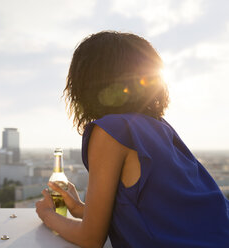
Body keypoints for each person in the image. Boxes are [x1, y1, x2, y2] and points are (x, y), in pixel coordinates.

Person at [35, 31, 229, 248]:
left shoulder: (110, 131)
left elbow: (90, 239)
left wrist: (47, 215)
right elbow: (160, 211)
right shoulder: (159, 126)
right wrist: (80, 209)